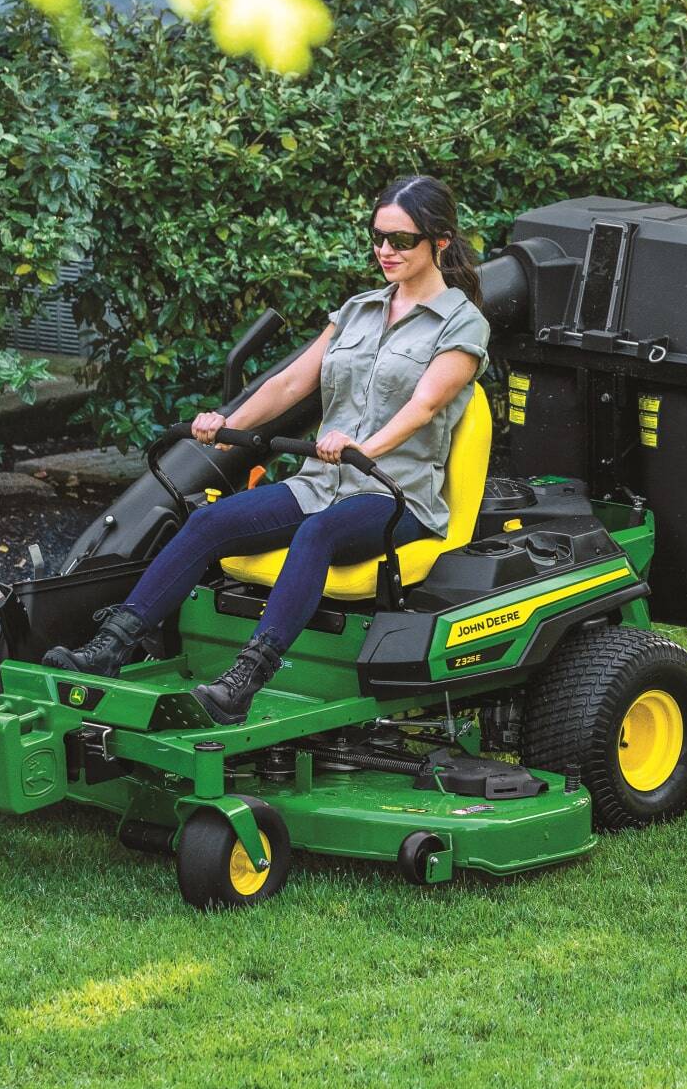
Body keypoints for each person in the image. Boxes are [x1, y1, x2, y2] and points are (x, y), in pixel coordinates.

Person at [44, 175, 491, 725]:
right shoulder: (357, 310)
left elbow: (423, 406)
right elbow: (287, 386)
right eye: (378, 237)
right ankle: (111, 647)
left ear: (440, 242)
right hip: (321, 483)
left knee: (319, 532)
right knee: (210, 522)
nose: (385, 251)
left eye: (402, 241)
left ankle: (243, 682)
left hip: (395, 495)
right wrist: (223, 421)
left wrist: (360, 447)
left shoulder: (462, 323)